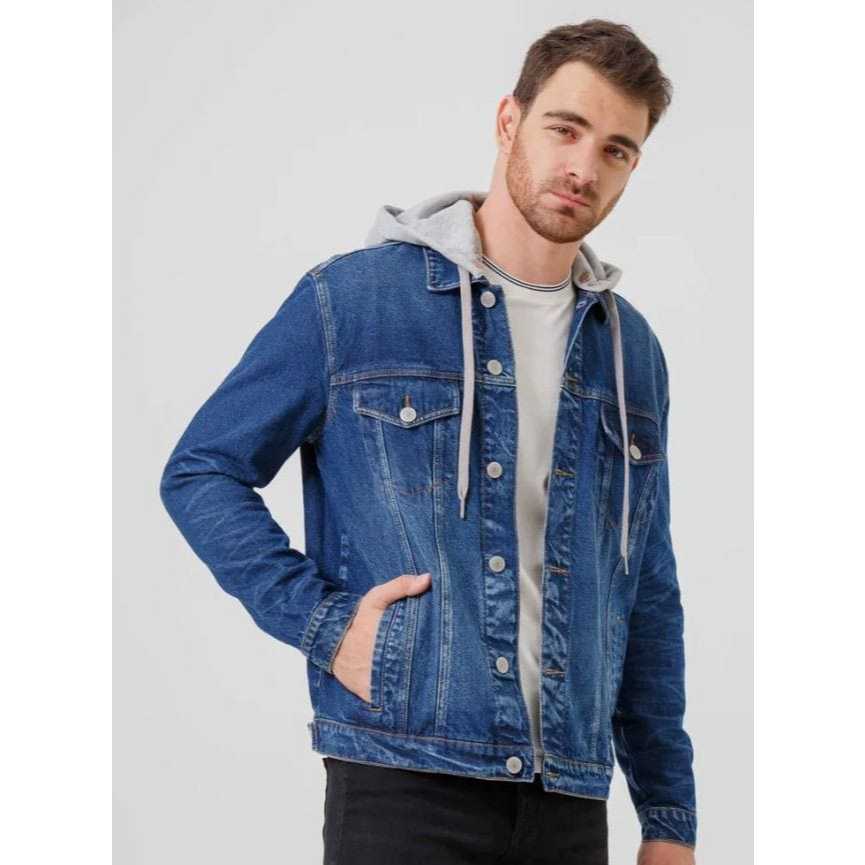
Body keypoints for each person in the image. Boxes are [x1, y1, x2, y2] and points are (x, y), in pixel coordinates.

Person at [160, 18, 697, 865]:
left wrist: (667, 816)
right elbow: (201, 470)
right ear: (507, 120)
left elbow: (646, 587)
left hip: (567, 795)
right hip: (404, 779)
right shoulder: (355, 302)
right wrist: (326, 625)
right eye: (565, 129)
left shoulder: (629, 352)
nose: (582, 168)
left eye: (616, 149)